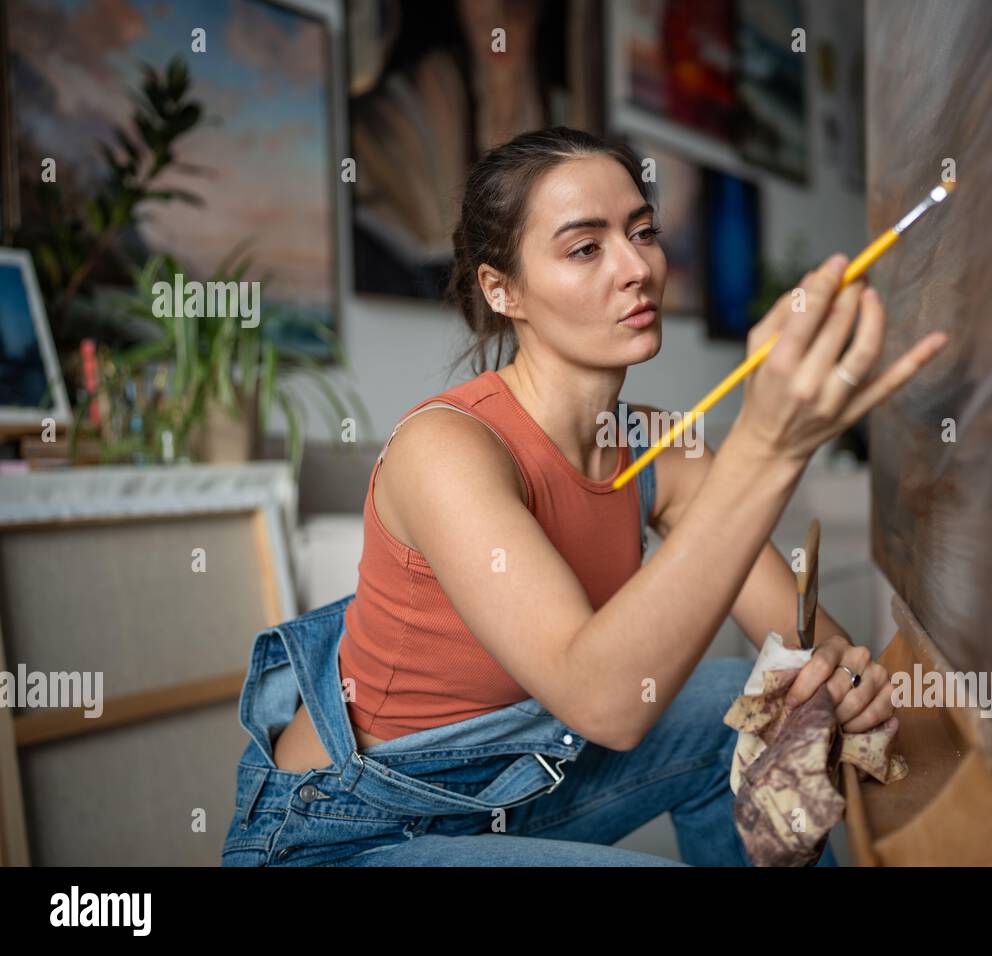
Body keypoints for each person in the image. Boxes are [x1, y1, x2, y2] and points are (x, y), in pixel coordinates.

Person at [221, 126, 948, 867]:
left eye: (644, 232)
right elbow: (605, 702)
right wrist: (770, 447)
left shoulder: (664, 449)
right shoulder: (445, 450)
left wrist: (840, 688)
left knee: (745, 697)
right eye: (585, 248)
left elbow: (803, 644)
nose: (637, 268)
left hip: (521, 786)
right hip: (353, 827)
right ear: (501, 289)